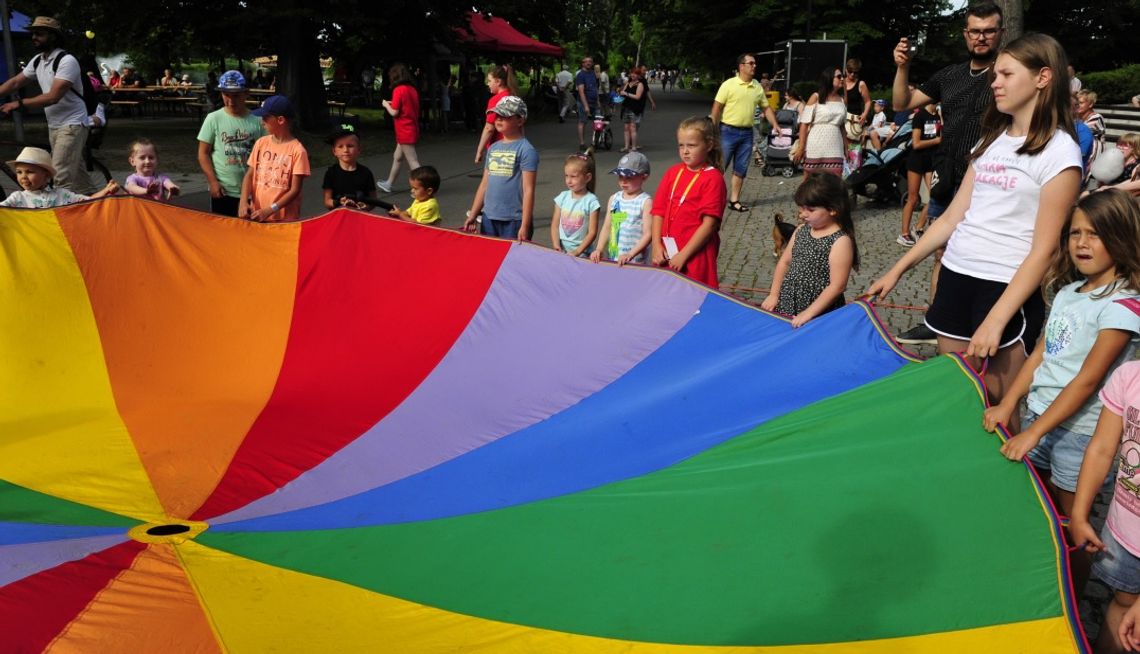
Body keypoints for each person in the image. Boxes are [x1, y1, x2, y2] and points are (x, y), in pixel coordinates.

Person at [868, 33, 1082, 404]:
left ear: (1042, 78)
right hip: (956, 275)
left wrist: (998, 318)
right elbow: (951, 218)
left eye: (1006, 74)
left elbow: (1045, 249)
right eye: (995, 75)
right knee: (958, 394)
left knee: (998, 404)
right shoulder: (992, 140)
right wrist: (897, 269)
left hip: (1004, 287)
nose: (994, 82)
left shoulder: (1060, 152)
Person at [982, 190, 1140, 592]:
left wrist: (1033, 433)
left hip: (1082, 434)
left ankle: (1071, 593)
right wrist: (1009, 402)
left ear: (1122, 238)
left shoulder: (1124, 305)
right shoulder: (1071, 293)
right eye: (1075, 233)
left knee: (1075, 522)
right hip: (1040, 416)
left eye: (1095, 234)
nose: (1082, 243)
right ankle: (1041, 574)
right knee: (1038, 506)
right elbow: (1041, 354)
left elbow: (1088, 379)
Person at [891, 3, 1004, 344]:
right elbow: (901, 102)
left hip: (988, 180)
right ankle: (936, 319)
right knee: (942, 251)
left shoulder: (1008, 72)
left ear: (1000, 33)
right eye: (974, 31)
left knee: (982, 252)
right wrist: (903, 67)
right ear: (965, 35)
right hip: (946, 175)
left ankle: (982, 321)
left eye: (988, 31)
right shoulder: (950, 74)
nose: (981, 37)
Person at [1069, 313, 1140, 650]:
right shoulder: (1129, 377)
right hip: (1126, 534)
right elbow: (1100, 449)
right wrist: (1081, 515)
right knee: (1123, 602)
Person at [0, 16, 95, 194]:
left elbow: (53, 96)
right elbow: (14, 83)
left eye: (39, 34)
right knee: (78, 176)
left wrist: (18, 103)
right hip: (55, 125)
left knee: (59, 175)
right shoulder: (38, 60)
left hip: (72, 124)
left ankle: (56, 217)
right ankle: (95, 203)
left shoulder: (67, 61)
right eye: (33, 33)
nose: (34, 37)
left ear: (53, 36)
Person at [761, 173, 858, 327]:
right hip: (789, 299)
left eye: (810, 210)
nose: (803, 214)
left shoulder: (840, 241)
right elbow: (784, 263)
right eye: (801, 208)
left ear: (832, 209)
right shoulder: (801, 230)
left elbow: (837, 286)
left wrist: (809, 312)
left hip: (819, 309)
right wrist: (774, 294)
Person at [650, 116, 727, 288]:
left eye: (691, 146)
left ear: (709, 145)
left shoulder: (713, 179)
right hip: (666, 252)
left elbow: (709, 225)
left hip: (695, 256)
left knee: (694, 298)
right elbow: (658, 211)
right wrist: (656, 244)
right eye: (681, 145)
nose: (685, 151)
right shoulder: (673, 172)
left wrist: (684, 255)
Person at [711, 53, 779, 212]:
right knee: (719, 167)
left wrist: (775, 124)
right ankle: (711, 198)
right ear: (741, 66)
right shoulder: (729, 84)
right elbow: (716, 108)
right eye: (751, 63)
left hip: (747, 133)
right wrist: (713, 131)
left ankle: (734, 200)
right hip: (727, 131)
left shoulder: (756, 86)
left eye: (754, 63)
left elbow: (766, 107)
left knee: (740, 168)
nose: (754, 66)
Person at [463, 96, 538, 241]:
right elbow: (485, 184)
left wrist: (525, 224)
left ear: (520, 120)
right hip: (489, 217)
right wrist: (473, 214)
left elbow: (528, 190)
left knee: (514, 262)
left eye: (505, 116)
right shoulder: (493, 148)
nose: (499, 119)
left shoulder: (526, 150)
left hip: (514, 220)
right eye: (497, 115)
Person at [197, 70, 265, 217]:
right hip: (223, 190)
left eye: (236, 95)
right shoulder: (213, 119)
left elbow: (265, 155)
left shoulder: (258, 121)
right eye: (226, 95)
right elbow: (203, 153)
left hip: (252, 191)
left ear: (246, 93)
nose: (231, 100)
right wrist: (213, 181)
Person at [239, 95, 311, 222]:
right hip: (258, 215)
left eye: (265, 118)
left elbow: (295, 190)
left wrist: (270, 209)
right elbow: (249, 175)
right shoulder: (261, 143)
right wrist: (243, 201)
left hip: (283, 220)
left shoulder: (298, 151)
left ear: (281, 120)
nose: (262, 122)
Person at [0, 146, 117, 207]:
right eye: (19, 172)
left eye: (30, 172)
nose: (23, 177)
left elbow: (88, 202)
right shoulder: (17, 198)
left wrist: (106, 190)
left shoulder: (61, 195)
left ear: (46, 175)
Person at [591, 151, 653, 265]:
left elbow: (648, 234)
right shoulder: (614, 198)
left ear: (644, 177)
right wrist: (599, 249)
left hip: (634, 262)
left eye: (629, 177)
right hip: (613, 258)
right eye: (620, 176)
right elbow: (607, 227)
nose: (623, 181)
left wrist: (630, 254)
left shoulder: (645, 202)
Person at [897, 102, 941, 246]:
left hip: (932, 160)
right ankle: (904, 233)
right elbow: (916, 143)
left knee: (935, 195)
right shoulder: (920, 115)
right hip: (917, 160)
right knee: (913, 198)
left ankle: (918, 227)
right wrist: (936, 141)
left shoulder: (940, 115)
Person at [794, 67, 847, 178]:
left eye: (843, 76)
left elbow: (842, 127)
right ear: (829, 78)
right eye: (839, 76)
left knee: (835, 180)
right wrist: (801, 148)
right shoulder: (816, 97)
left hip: (835, 145)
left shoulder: (842, 100)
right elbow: (804, 124)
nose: (842, 79)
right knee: (809, 180)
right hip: (816, 143)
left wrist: (846, 148)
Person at [376, 63, 421, 194]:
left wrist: (386, 105)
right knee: (397, 157)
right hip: (411, 127)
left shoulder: (398, 89)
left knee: (413, 162)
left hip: (404, 129)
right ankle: (389, 183)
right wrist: (392, 105)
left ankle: (422, 188)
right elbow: (405, 107)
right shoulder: (411, 89)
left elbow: (394, 112)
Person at [551, 152, 600, 256]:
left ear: (587, 177)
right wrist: (556, 245)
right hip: (562, 251)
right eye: (566, 176)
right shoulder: (562, 197)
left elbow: (592, 232)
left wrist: (577, 251)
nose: (569, 181)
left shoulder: (591, 201)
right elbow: (555, 226)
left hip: (582, 254)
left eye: (573, 176)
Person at [321, 124, 377, 211]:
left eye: (350, 146)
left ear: (359, 149)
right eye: (340, 146)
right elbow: (327, 201)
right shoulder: (331, 173)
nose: (345, 150)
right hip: (339, 219)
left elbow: (373, 200)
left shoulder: (366, 173)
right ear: (334, 151)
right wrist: (338, 203)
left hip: (361, 218)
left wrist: (365, 207)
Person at [474, 64, 517, 164]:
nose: (487, 84)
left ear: (498, 81)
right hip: (515, 145)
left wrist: (479, 151)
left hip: (499, 148)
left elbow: (489, 128)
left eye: (489, 81)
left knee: (494, 178)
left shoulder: (495, 100)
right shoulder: (514, 97)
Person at [842, 58, 873, 151]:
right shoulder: (840, 82)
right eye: (850, 71)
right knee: (841, 147)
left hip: (855, 120)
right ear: (846, 70)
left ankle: (854, 164)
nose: (852, 74)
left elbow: (868, 101)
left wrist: (864, 114)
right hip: (842, 118)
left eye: (855, 72)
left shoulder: (861, 84)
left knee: (853, 149)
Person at [618, 67, 648, 153]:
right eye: (632, 73)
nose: (633, 75)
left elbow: (637, 97)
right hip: (626, 108)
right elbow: (622, 93)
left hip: (634, 108)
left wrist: (626, 93)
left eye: (635, 74)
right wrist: (619, 95)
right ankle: (626, 146)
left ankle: (634, 147)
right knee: (626, 128)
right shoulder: (628, 83)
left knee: (633, 127)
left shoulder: (640, 84)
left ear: (638, 76)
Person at [575, 56, 600, 151]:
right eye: (586, 62)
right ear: (583, 63)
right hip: (583, 102)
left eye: (590, 61)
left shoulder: (593, 73)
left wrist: (598, 101)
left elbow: (595, 88)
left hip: (594, 101)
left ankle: (595, 142)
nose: (589, 63)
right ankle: (582, 143)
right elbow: (581, 92)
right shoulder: (580, 75)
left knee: (598, 122)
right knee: (582, 121)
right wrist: (586, 106)